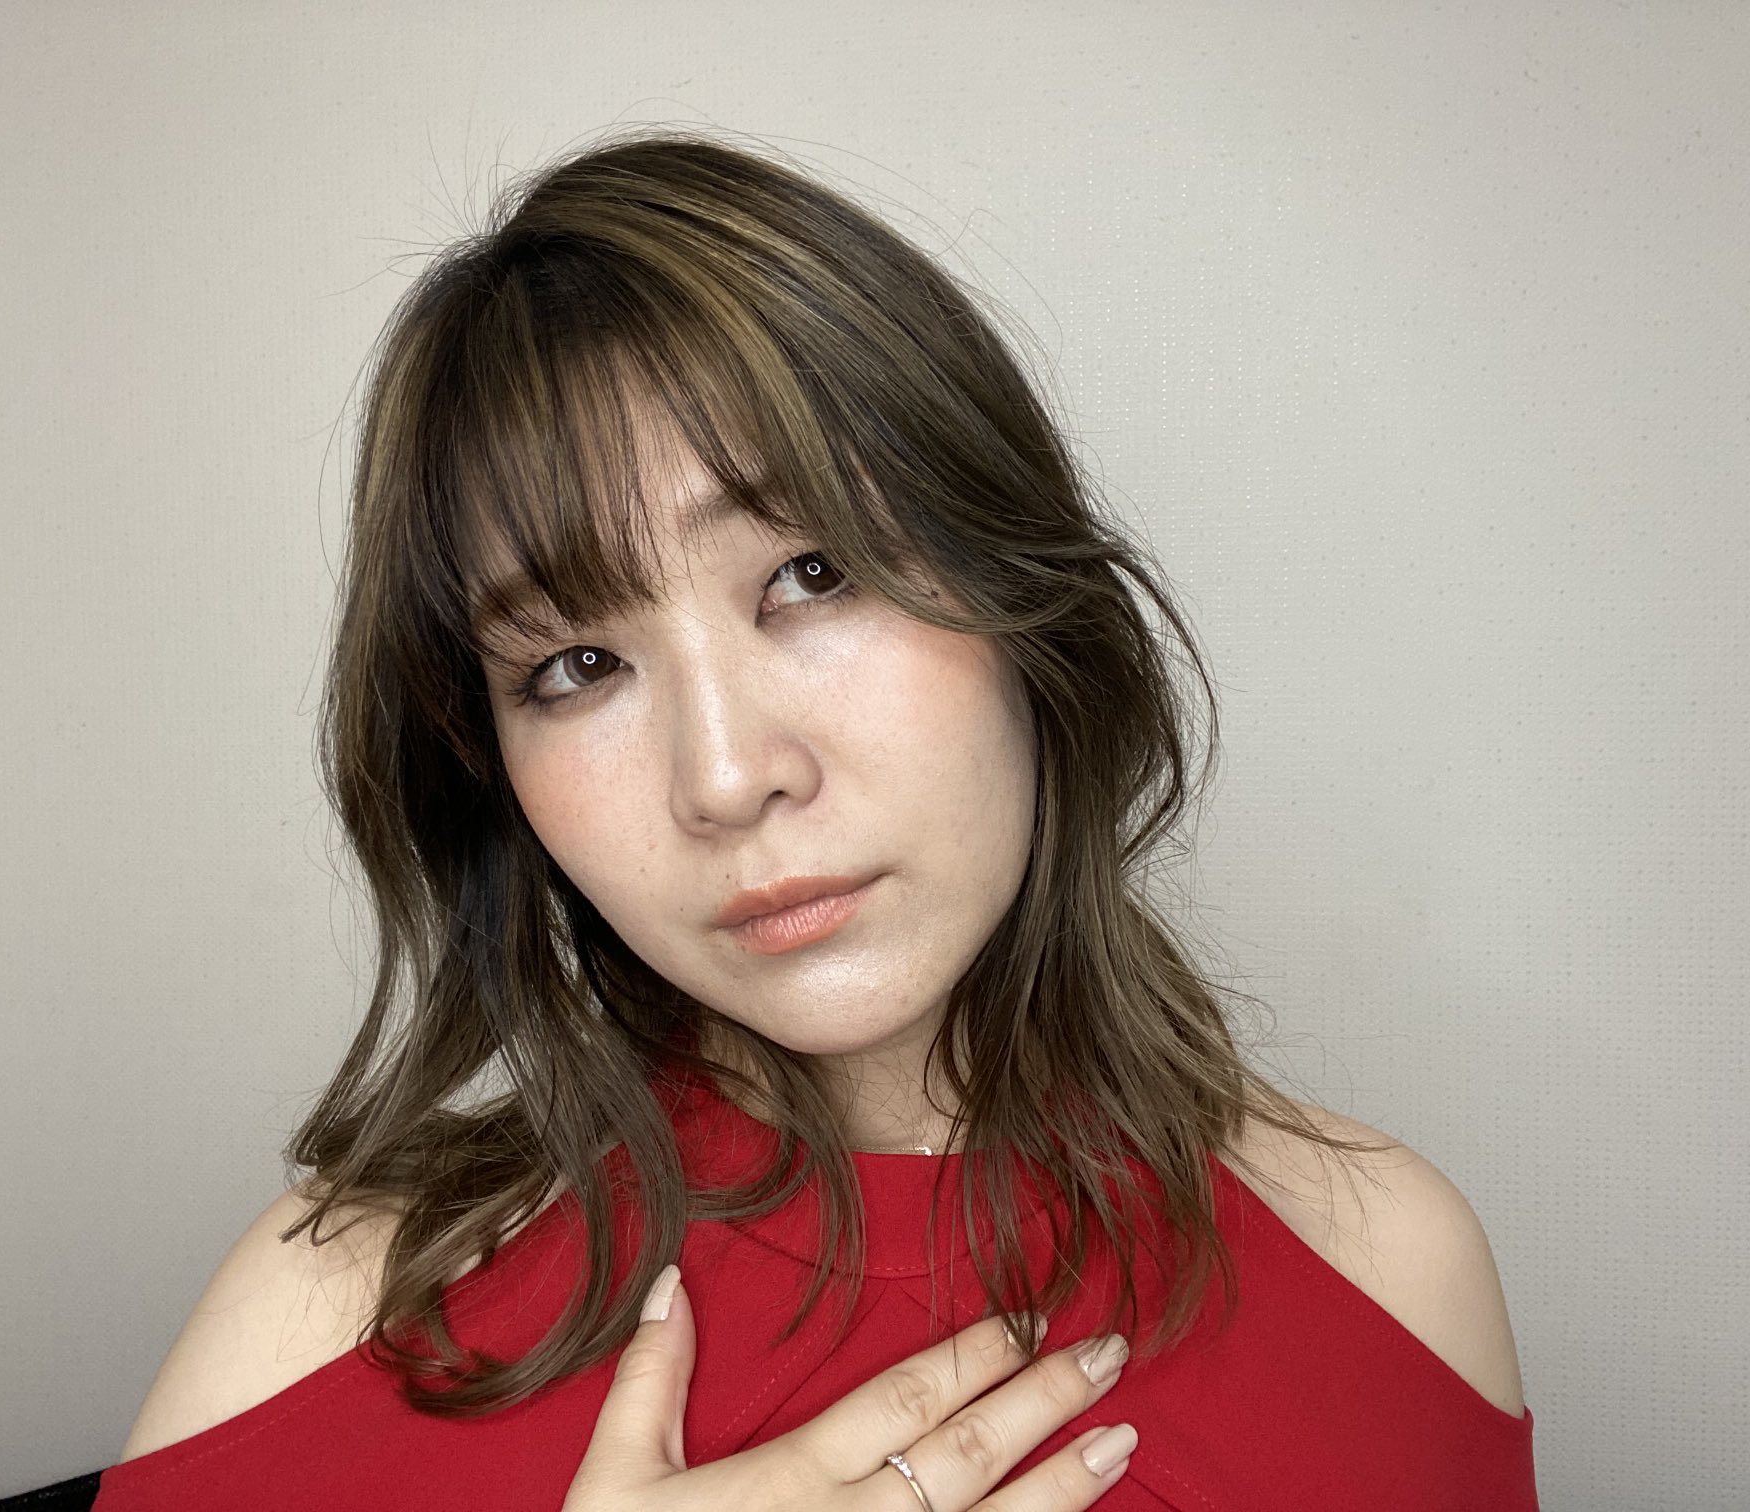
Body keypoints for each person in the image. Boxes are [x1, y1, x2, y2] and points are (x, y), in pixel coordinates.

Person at [91, 129, 1536, 1511]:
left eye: (813, 573)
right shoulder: (320, 1323)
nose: (727, 777)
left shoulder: (1390, 1273)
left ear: (1019, 584)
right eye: (577, 666)